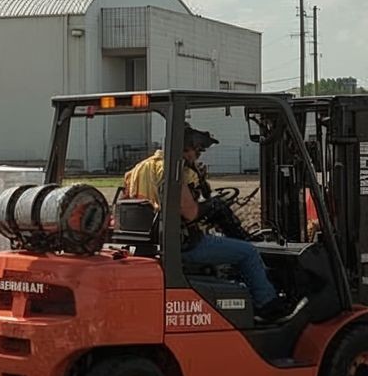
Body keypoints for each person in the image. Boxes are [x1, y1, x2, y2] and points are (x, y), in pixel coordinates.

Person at [123, 129, 289, 321]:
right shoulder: (172, 170)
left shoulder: (138, 169)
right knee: (248, 252)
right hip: (182, 244)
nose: (198, 156)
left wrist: (201, 182)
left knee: (224, 244)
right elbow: (190, 212)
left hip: (153, 243)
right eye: (197, 152)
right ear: (186, 149)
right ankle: (268, 305)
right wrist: (211, 205)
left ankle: (241, 292)